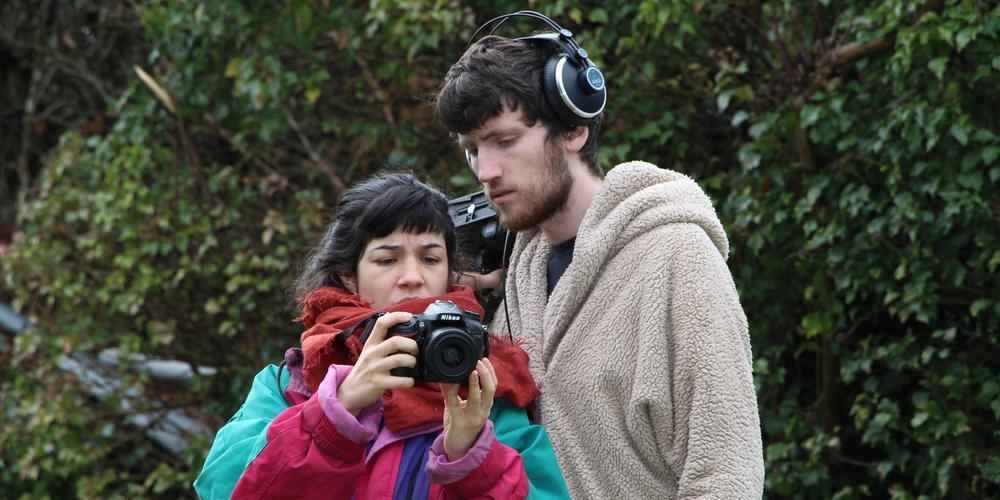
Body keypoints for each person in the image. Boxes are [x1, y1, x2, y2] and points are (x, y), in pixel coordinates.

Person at [435, 12, 765, 499]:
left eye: (504, 141)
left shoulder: (674, 256)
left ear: (573, 131)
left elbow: (725, 471)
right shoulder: (520, 278)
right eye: (472, 150)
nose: (485, 170)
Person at [194, 173, 570, 499]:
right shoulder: (292, 385)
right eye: (387, 260)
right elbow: (223, 488)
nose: (412, 276)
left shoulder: (485, 386)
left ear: (451, 274)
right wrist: (333, 415)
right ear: (347, 275)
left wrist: (471, 457)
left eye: (431, 258)